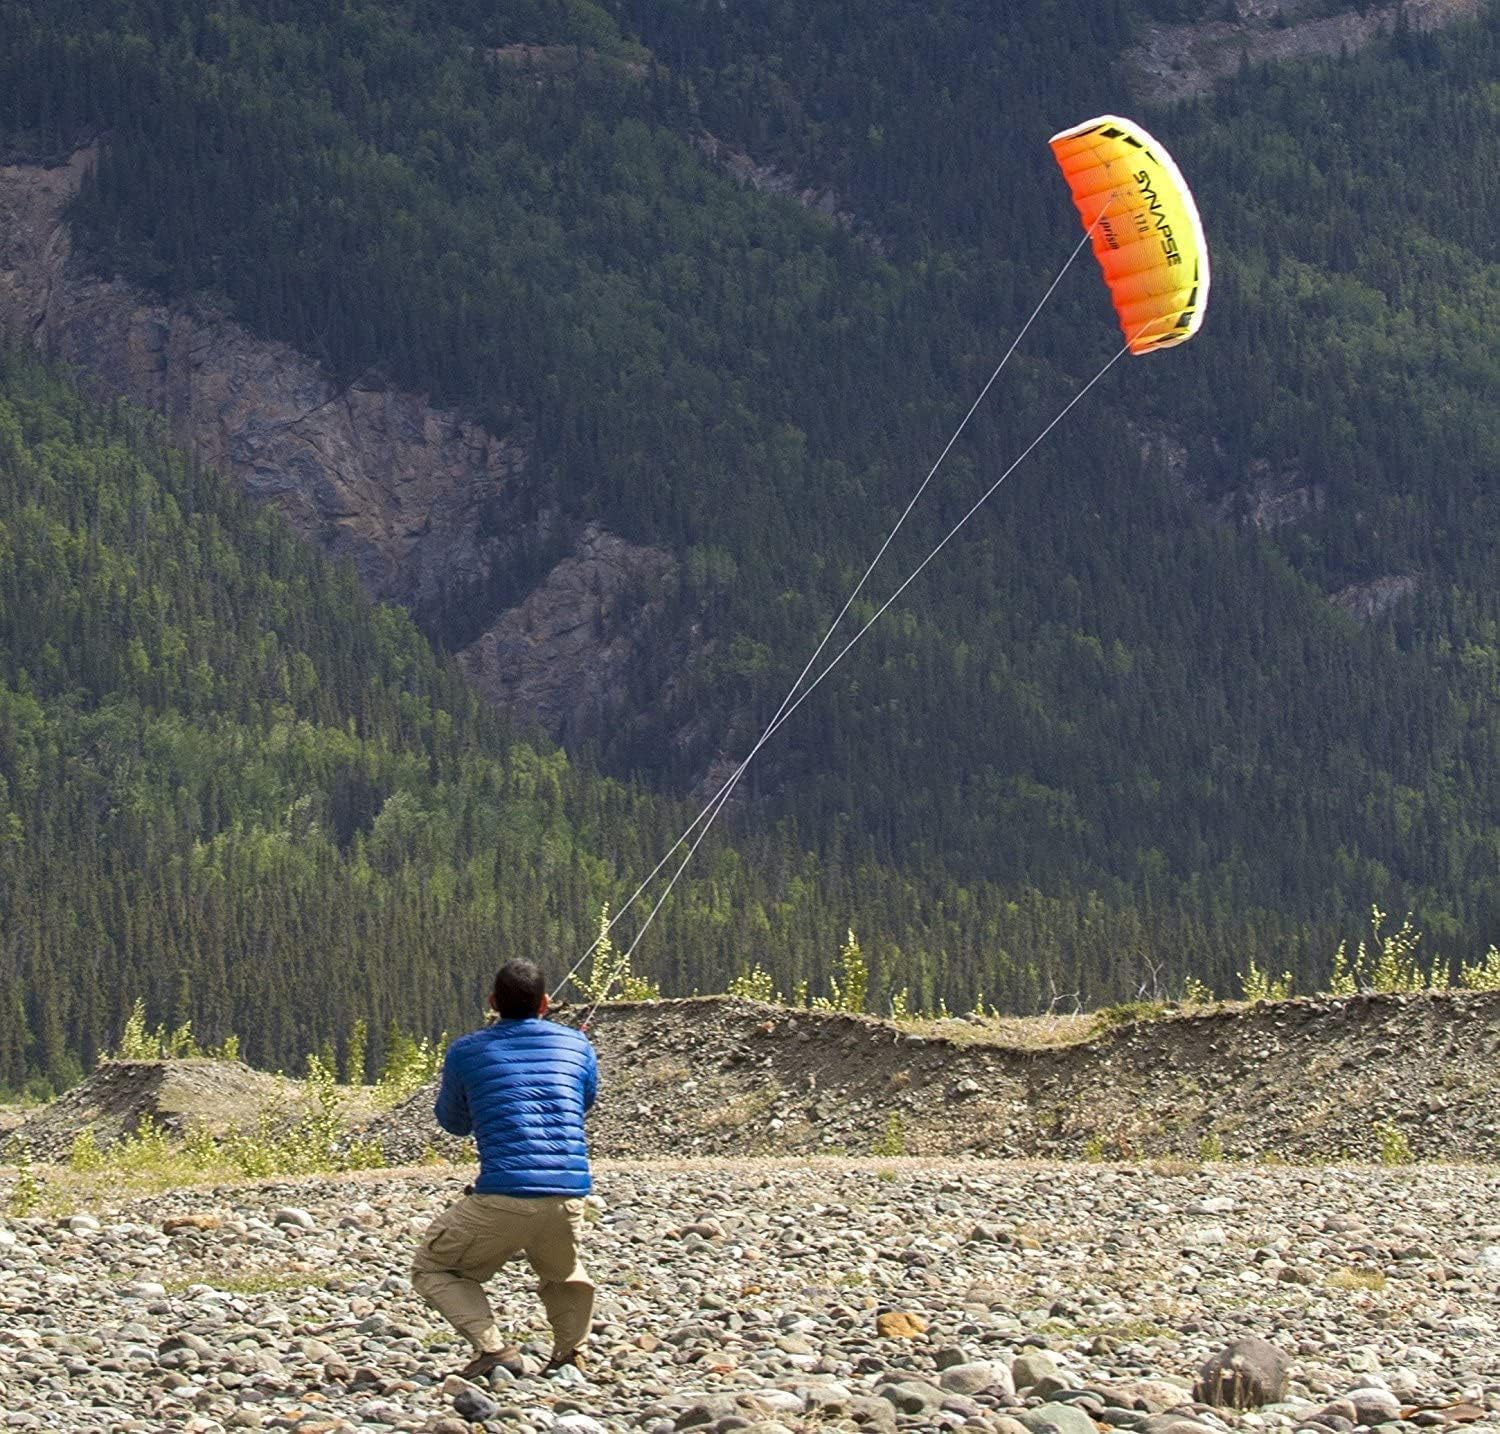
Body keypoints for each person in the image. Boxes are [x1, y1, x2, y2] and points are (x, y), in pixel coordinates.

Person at [410, 959, 599, 1381]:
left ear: (493, 1002)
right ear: (545, 1003)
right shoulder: (577, 1045)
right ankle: (570, 1356)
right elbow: (583, 1103)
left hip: (502, 1194)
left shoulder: (467, 1050)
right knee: (563, 1275)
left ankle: (494, 1349)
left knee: (433, 1267)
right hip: (568, 1193)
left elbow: (453, 1122)